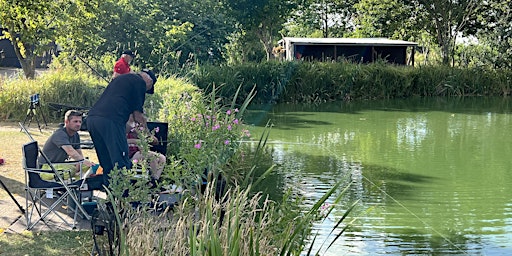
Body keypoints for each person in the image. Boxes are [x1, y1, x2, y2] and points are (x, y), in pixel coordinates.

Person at [86, 69, 157, 186]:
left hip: (93, 119)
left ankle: (111, 198)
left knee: (107, 162)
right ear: (149, 81)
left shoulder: (122, 80)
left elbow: (128, 116)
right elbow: (138, 116)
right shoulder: (140, 83)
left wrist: (132, 132)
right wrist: (148, 136)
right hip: (111, 121)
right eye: (148, 90)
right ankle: (122, 199)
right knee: (121, 163)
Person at [38, 110, 96, 178]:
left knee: (92, 167)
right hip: (46, 168)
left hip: (59, 165)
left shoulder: (75, 135)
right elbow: (70, 151)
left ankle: (81, 183)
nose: (78, 124)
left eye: (80, 122)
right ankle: (78, 182)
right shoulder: (60, 134)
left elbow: (79, 153)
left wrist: (80, 164)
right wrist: (82, 161)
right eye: (75, 121)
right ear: (66, 122)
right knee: (71, 170)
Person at [126, 114, 165, 180]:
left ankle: (155, 180)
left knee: (162, 158)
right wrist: (136, 141)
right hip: (129, 153)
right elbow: (120, 141)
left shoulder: (138, 125)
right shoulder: (123, 125)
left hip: (139, 151)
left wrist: (146, 133)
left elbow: (155, 141)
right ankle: (153, 181)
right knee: (152, 157)